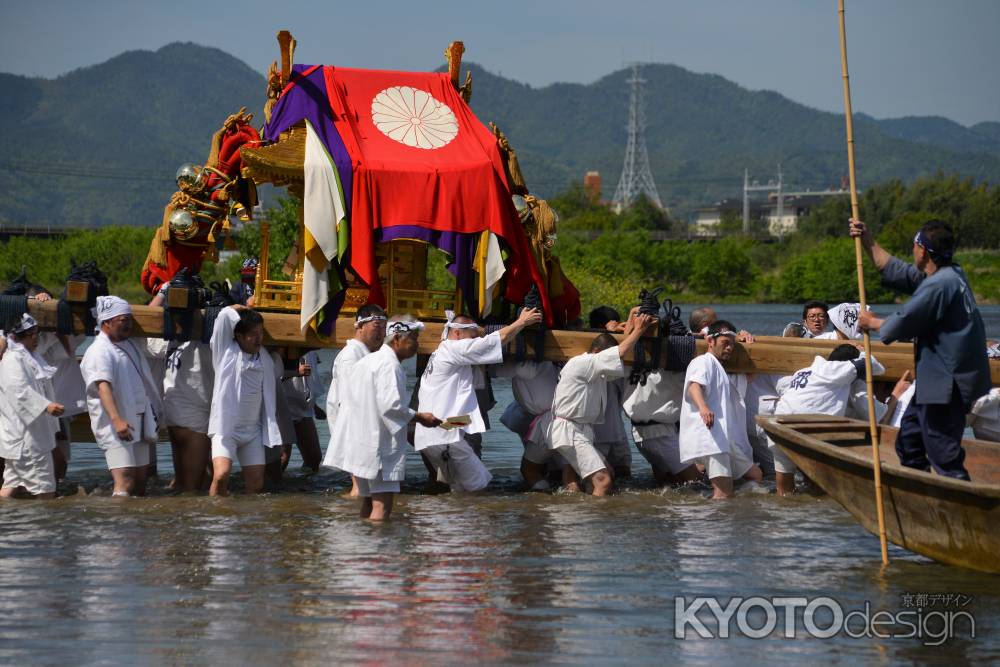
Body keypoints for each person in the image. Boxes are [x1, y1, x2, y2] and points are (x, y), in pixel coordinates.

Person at [852, 218, 991, 480]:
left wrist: (872, 322)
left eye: (914, 246)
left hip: (947, 385)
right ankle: (922, 495)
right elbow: (895, 269)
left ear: (923, 250)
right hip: (935, 384)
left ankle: (961, 508)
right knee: (909, 443)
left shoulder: (939, 285)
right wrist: (867, 239)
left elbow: (903, 322)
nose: (912, 250)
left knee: (943, 453)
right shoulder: (949, 273)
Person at [415, 307, 542, 492]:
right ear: (457, 333)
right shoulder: (455, 349)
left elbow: (485, 341)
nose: (475, 341)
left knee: (457, 488)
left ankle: (446, 520)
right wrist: (521, 322)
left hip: (438, 432)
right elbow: (496, 340)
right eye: (472, 338)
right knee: (478, 486)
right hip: (444, 436)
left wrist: (471, 423)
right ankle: (469, 520)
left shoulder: (442, 351)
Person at [329, 316, 442, 520]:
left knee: (367, 501)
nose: (418, 344)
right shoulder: (390, 365)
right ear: (397, 338)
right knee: (382, 505)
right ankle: (378, 549)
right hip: (378, 444)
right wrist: (419, 417)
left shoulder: (368, 360)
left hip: (360, 442)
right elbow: (391, 407)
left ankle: (362, 546)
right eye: (414, 338)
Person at [769, 344, 909, 495]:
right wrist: (894, 394)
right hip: (808, 434)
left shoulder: (805, 371)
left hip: (777, 427)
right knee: (819, 493)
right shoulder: (838, 371)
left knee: (784, 493)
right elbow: (874, 366)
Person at [547, 312, 655, 496]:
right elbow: (620, 352)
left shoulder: (594, 368)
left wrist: (629, 325)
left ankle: (570, 511)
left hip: (577, 429)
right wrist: (639, 329)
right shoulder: (584, 362)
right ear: (597, 353)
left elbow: (619, 354)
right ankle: (592, 520)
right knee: (603, 480)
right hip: (570, 429)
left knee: (605, 473)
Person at [80, 297, 163, 497]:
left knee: (141, 480)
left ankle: (136, 524)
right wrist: (117, 420)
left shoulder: (129, 345)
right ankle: (116, 524)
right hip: (116, 423)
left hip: (139, 421)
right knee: (125, 479)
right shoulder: (99, 350)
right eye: (123, 320)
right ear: (106, 322)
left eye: (129, 320)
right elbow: (103, 387)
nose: (128, 325)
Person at [679, 320, 763, 499]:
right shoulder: (703, 361)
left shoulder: (722, 369)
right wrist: (703, 407)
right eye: (725, 343)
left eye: (732, 344)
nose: (729, 348)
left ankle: (732, 509)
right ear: (710, 341)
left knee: (755, 475)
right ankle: (712, 524)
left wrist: (750, 346)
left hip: (724, 438)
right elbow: (694, 385)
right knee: (723, 492)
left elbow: (750, 376)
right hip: (712, 437)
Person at [207, 305, 283, 495]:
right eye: (253, 334)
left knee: (256, 483)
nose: (258, 338)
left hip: (253, 430)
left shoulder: (264, 357)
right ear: (239, 336)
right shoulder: (224, 351)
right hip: (226, 429)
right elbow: (223, 319)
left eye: (260, 333)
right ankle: (214, 519)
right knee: (221, 475)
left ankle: (246, 521)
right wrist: (235, 307)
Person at [322, 304, 388, 495]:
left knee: (365, 488)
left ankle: (357, 522)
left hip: (363, 428)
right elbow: (350, 400)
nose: (381, 333)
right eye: (377, 326)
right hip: (354, 429)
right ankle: (349, 522)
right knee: (360, 489)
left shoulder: (367, 354)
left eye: (384, 328)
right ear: (359, 325)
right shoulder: (350, 355)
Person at [0, 314, 63, 499]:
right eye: (30, 334)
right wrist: (46, 406)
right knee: (46, 491)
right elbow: (19, 391)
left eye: (36, 333)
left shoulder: (31, 358)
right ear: (15, 337)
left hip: (28, 434)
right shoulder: (13, 360)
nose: (35, 338)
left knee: (9, 487)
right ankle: (41, 528)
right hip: (27, 439)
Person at [492, 359, 561, 490]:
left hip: (549, 422)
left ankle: (544, 496)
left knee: (528, 469)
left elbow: (492, 370)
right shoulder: (559, 365)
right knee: (566, 472)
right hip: (567, 419)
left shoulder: (527, 366)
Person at [623, 368, 700, 485]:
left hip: (640, 433)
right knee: (696, 481)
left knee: (666, 482)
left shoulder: (630, 366)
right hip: (661, 434)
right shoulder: (676, 363)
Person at [279, 350, 324, 472]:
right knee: (282, 458)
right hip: (281, 407)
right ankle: (271, 489)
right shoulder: (280, 344)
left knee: (314, 458)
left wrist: (314, 406)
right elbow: (270, 374)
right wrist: (296, 372)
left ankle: (305, 489)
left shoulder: (312, 351)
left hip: (303, 409)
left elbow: (309, 382)